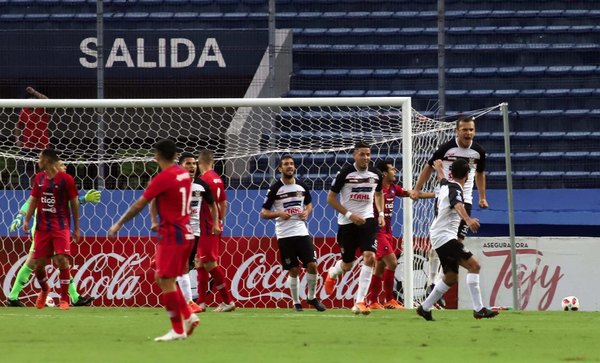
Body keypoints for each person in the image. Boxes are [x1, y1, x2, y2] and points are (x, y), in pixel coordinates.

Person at [108, 139, 199, 342]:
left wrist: (119, 224)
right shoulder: (183, 174)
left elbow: (139, 205)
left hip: (172, 234)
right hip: (186, 233)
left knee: (165, 280)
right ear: (175, 156)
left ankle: (177, 329)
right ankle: (189, 315)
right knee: (162, 277)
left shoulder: (162, 178)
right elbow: (166, 199)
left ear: (157, 155)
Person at [410, 116, 488, 306]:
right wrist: (417, 189)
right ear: (457, 131)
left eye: (471, 130)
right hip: (446, 197)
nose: (468, 133)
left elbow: (480, 174)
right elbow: (428, 167)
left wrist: (482, 197)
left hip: (466, 198)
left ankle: (437, 285)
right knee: (446, 238)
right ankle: (432, 280)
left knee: (457, 242)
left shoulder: (478, 151)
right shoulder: (446, 148)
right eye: (464, 130)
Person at [6, 160, 100, 307]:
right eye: (62, 164)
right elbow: (31, 201)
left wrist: (83, 200)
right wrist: (20, 217)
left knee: (45, 262)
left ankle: (13, 297)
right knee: (52, 263)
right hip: (42, 230)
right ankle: (73, 297)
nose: (65, 166)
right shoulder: (44, 182)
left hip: (55, 230)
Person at [416, 159, 498, 321]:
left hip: (439, 236)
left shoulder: (447, 184)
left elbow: (442, 179)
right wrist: (468, 220)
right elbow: (458, 205)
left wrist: (439, 168)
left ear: (451, 173)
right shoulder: (456, 189)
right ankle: (479, 309)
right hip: (445, 237)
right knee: (474, 265)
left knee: (451, 276)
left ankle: (424, 308)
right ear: (467, 176)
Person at [150, 152, 220, 314]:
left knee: (184, 269)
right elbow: (154, 200)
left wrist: (215, 223)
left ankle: (182, 301)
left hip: (194, 233)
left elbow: (212, 205)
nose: (192, 166)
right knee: (181, 268)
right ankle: (188, 302)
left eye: (194, 164)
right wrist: (154, 220)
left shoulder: (201, 185)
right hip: (175, 231)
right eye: (188, 163)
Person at [325, 141, 385, 315]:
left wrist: (380, 214)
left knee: (370, 257)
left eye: (368, 154)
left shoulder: (376, 174)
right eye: (362, 154)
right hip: (347, 223)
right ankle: (332, 274)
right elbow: (331, 198)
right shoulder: (345, 172)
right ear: (354, 155)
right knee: (347, 264)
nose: (366, 158)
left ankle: (360, 302)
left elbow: (379, 193)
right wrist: (350, 215)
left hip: (367, 221)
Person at [260, 155, 327, 312]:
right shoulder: (275, 188)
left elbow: (309, 204)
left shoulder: (302, 186)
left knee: (312, 265)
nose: (289, 166)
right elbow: (263, 213)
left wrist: (307, 212)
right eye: (285, 164)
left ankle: (311, 297)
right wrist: (279, 214)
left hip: (301, 231)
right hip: (284, 234)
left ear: (294, 167)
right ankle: (296, 302)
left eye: (291, 164)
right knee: (294, 269)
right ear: (280, 169)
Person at [366, 159, 435, 310]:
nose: (395, 171)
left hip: (388, 232)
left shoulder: (393, 188)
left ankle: (372, 301)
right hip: (377, 232)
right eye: (392, 169)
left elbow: (413, 194)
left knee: (380, 266)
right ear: (384, 173)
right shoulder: (376, 191)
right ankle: (390, 300)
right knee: (392, 262)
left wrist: (435, 195)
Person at [22, 150, 80, 311]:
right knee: (38, 265)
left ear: (47, 160)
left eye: (40, 158)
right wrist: (26, 219)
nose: (38, 161)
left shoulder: (66, 180)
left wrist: (76, 227)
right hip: (42, 228)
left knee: (61, 260)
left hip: (60, 227)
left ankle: (64, 299)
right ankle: (45, 289)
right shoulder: (39, 178)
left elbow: (74, 203)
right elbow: (33, 199)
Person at [195, 149, 235, 312]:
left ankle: (228, 301)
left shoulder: (202, 181)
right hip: (214, 224)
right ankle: (201, 303)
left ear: (199, 163)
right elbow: (224, 204)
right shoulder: (218, 179)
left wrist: (213, 222)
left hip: (207, 226)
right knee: (200, 262)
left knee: (210, 263)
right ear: (213, 162)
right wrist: (219, 220)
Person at [15, 87, 50, 189]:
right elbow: (18, 125)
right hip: (28, 145)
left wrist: (34, 92)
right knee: (30, 170)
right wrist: (17, 139)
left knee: (43, 167)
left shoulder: (42, 109)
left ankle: (43, 186)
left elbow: (48, 101)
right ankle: (33, 188)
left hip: (42, 144)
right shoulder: (24, 111)